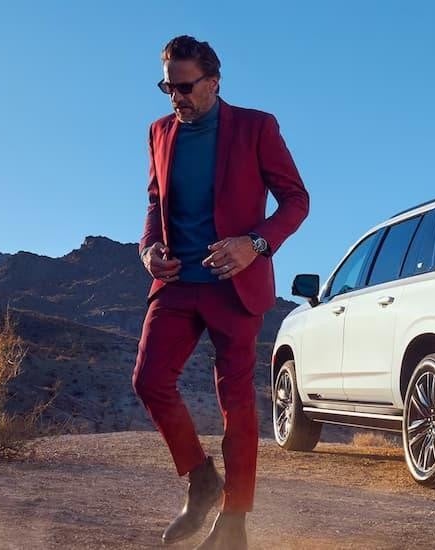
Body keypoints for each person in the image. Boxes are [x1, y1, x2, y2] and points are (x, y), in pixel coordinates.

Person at [132, 34, 309, 550]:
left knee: (235, 403)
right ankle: (202, 479)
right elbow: (153, 202)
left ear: (212, 82)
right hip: (177, 283)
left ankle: (234, 522)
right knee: (149, 379)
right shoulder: (159, 132)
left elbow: (296, 201)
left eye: (185, 86)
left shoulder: (256, 127)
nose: (175, 97)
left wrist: (255, 243)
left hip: (235, 287)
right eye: (167, 86)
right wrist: (149, 249)